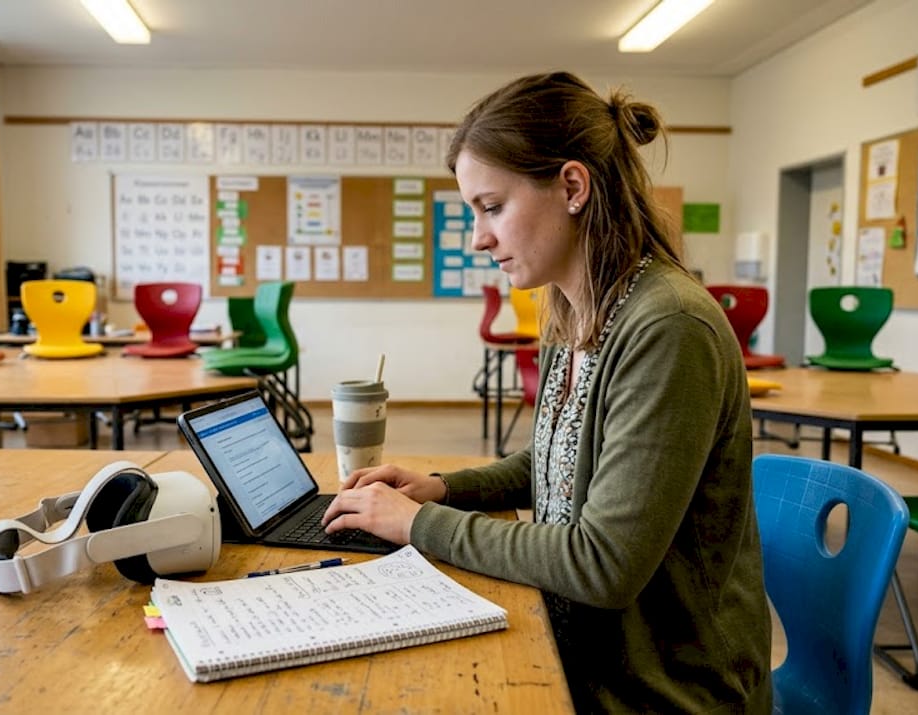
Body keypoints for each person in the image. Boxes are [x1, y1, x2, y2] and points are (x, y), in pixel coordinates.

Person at [322, 71, 772, 713]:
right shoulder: (574, 309)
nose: (478, 236)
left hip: (665, 690)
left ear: (572, 187)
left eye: (492, 207)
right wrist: (442, 489)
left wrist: (418, 523)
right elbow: (554, 462)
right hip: (588, 650)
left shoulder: (669, 327)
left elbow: (602, 564)